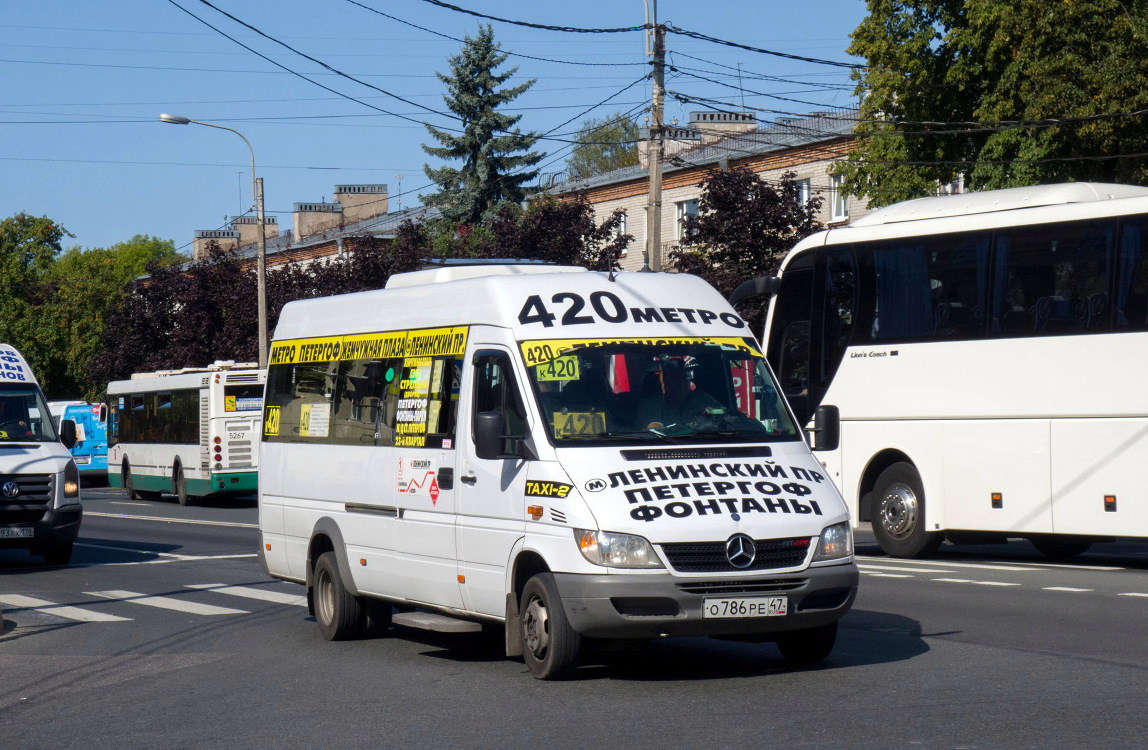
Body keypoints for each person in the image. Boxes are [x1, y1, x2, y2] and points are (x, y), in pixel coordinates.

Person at [635, 358, 724, 430]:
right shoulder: (651, 405)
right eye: (676, 379)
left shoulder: (701, 397)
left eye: (685, 377)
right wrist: (693, 427)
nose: (683, 382)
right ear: (663, 381)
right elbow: (657, 434)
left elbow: (728, 416)